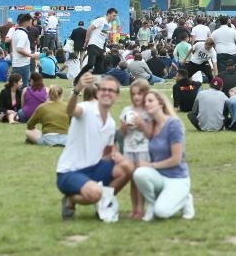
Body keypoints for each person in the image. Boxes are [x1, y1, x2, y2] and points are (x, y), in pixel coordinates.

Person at [57, 72, 133, 222]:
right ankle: (70, 200)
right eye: (103, 89)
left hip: (94, 168)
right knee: (95, 193)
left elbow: (109, 151)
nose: (107, 93)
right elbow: (71, 111)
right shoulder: (86, 108)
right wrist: (77, 90)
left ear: (117, 96)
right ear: (98, 93)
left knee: (127, 169)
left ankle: (103, 205)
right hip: (70, 171)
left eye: (111, 90)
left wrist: (125, 163)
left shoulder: (110, 123)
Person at [132, 90, 195, 221]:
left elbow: (176, 160)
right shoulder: (152, 125)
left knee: (161, 213)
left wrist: (150, 165)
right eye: (145, 102)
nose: (146, 104)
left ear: (160, 103)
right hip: (159, 176)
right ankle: (151, 203)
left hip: (176, 177)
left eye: (150, 101)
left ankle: (185, 199)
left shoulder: (173, 124)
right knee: (139, 173)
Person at [119, 80, 152, 219]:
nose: (136, 97)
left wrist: (141, 124)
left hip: (144, 150)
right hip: (129, 150)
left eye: (140, 94)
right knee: (133, 181)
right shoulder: (127, 110)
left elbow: (151, 133)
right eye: (134, 94)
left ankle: (141, 208)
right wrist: (125, 127)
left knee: (141, 180)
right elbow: (121, 132)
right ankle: (135, 209)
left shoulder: (149, 112)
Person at [74, 8, 118, 84]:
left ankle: (93, 84)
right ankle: (77, 80)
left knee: (100, 69)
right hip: (93, 44)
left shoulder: (109, 25)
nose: (115, 17)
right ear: (108, 14)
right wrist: (86, 41)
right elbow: (89, 29)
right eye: (114, 15)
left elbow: (104, 38)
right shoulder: (101, 20)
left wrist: (104, 50)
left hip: (101, 48)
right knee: (90, 64)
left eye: (116, 16)